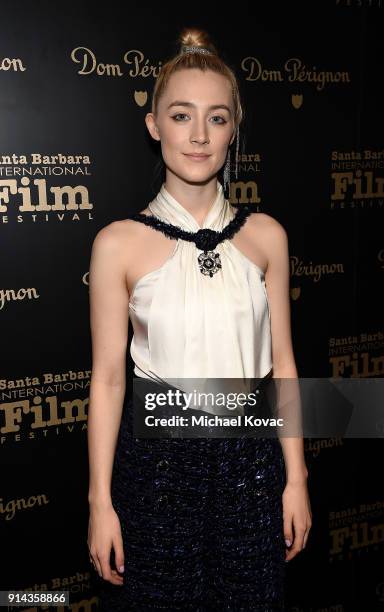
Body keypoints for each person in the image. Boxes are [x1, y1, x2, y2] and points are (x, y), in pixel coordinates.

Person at [87, 27, 312, 611]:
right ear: (153, 124)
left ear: (234, 127)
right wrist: (100, 503)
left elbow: (282, 366)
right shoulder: (117, 243)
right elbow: (110, 380)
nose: (198, 135)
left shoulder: (267, 237)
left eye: (216, 118)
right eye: (181, 115)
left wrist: (296, 480)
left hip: (252, 462)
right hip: (156, 467)